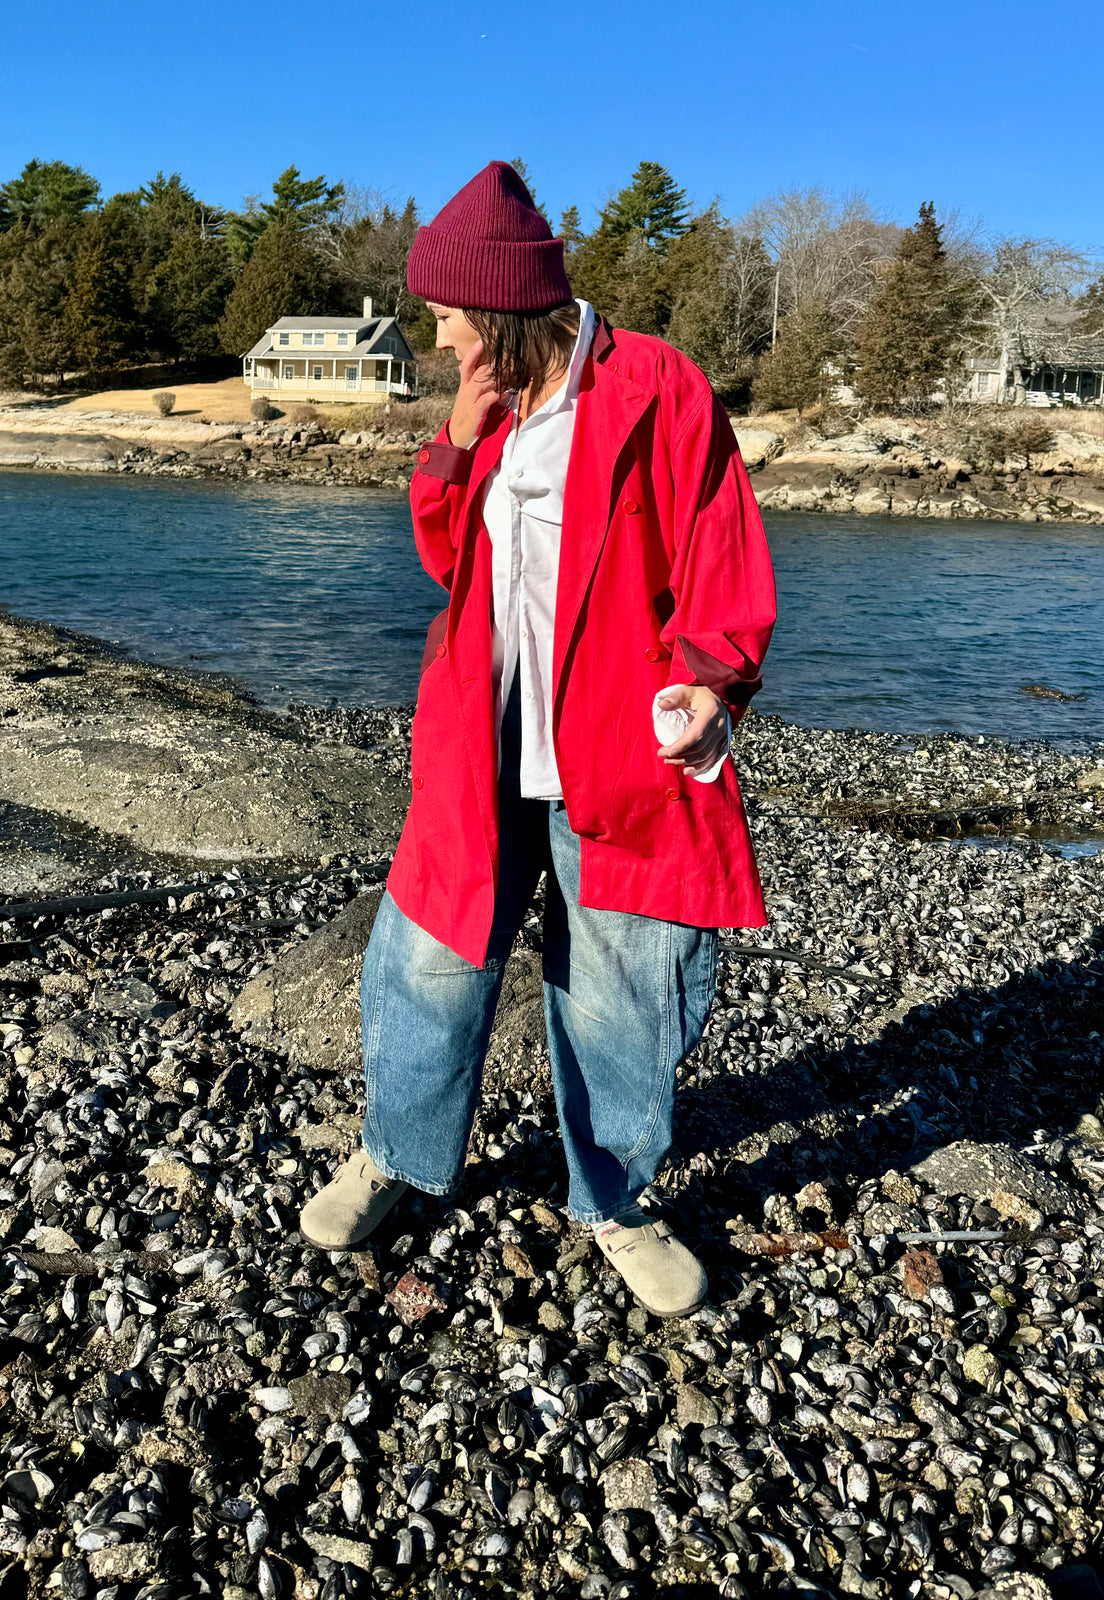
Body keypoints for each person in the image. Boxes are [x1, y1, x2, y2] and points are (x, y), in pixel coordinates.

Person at [301, 162, 776, 1316]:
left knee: (622, 981)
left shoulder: (657, 386)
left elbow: (723, 542)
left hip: (622, 748)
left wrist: (714, 675)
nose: (438, 334)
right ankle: (396, 1153)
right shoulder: (485, 398)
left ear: (508, 309)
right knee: (427, 954)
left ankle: (615, 1199)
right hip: (480, 734)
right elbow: (442, 553)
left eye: (450, 316)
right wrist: (453, 448)